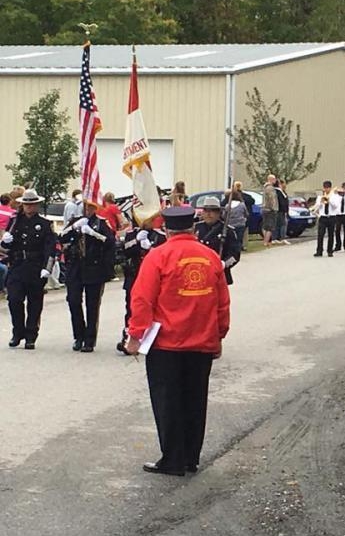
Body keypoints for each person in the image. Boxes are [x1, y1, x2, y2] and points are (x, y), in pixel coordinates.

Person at [125, 205, 230, 476]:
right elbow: (222, 302)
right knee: (195, 400)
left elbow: (142, 299)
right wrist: (219, 334)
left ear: (167, 229)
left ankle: (173, 458)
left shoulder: (157, 256)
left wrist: (136, 335)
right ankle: (191, 457)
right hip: (202, 341)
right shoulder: (210, 257)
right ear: (193, 228)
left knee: (167, 401)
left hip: (166, 344)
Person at [1, 189, 56, 349]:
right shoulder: (15, 222)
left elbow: (50, 248)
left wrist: (47, 268)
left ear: (36, 205)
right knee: (14, 300)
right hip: (18, 265)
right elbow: (6, 247)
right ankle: (18, 332)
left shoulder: (45, 224)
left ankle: (31, 335)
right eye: (26, 205)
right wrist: (5, 241)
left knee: (35, 303)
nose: (29, 208)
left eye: (32, 205)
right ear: (22, 205)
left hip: (36, 266)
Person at [59, 199, 116, 352]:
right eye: (85, 206)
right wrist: (74, 228)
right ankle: (78, 336)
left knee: (92, 304)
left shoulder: (101, 223)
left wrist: (94, 233)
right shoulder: (75, 221)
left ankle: (90, 340)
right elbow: (61, 237)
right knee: (73, 300)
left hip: (93, 267)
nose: (87, 209)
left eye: (90, 206)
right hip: (75, 266)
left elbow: (110, 242)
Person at [117, 217, 167, 353]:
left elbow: (164, 255)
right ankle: (128, 338)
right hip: (134, 276)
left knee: (154, 309)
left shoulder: (160, 236)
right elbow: (124, 250)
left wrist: (150, 248)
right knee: (131, 308)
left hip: (153, 279)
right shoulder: (132, 234)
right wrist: (136, 241)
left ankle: (151, 337)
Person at [195, 196, 240, 285]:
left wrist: (223, 264)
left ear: (219, 213)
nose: (209, 214)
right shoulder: (196, 228)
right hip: (199, 272)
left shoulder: (228, 231)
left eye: (212, 211)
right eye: (206, 210)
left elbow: (235, 255)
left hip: (219, 274)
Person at [312, 181, 336, 257]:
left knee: (331, 235)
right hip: (323, 217)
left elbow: (336, 206)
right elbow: (317, 206)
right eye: (325, 188)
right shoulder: (320, 197)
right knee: (320, 234)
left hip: (331, 217)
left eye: (327, 188)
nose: (326, 189)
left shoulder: (334, 196)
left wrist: (329, 201)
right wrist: (321, 202)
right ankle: (319, 251)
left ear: (330, 188)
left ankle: (330, 251)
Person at [333, 182, 345, 253]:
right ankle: (338, 246)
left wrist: (343, 194)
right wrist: (335, 193)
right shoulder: (337, 195)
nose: (344, 189)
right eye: (343, 188)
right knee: (337, 230)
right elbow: (335, 202)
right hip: (338, 214)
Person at [261, 174, 278, 246]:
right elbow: (272, 199)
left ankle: (265, 240)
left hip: (264, 209)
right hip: (270, 209)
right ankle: (266, 242)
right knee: (270, 227)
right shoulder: (270, 188)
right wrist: (274, 208)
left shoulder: (265, 187)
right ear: (271, 180)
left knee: (265, 226)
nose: (275, 181)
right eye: (274, 179)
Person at [275, 179, 290, 244]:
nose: (285, 185)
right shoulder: (278, 192)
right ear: (280, 184)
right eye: (283, 183)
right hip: (280, 210)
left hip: (283, 211)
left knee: (281, 224)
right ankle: (281, 238)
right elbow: (281, 202)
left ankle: (280, 237)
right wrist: (284, 209)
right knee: (282, 224)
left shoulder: (282, 192)